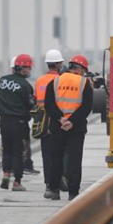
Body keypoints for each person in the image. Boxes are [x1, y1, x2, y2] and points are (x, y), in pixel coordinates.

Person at [43, 55, 93, 201]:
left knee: (56, 157)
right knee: (75, 159)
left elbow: (49, 105)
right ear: (82, 69)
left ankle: (53, 189)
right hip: (76, 128)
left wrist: (60, 118)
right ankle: (73, 192)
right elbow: (87, 107)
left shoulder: (55, 81)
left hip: (58, 126)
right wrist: (71, 121)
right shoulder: (85, 83)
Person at [0, 53, 34, 191]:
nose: (29, 71)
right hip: (19, 123)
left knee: (7, 150)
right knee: (18, 152)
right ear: (23, 68)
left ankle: (6, 174)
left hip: (4, 121)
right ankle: (17, 182)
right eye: (29, 68)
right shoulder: (25, 86)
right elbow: (31, 105)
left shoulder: (2, 81)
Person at [34, 49, 65, 192]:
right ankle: (60, 181)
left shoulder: (39, 80)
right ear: (58, 64)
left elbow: (36, 100)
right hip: (56, 120)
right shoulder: (59, 80)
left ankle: (48, 183)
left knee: (46, 154)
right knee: (60, 153)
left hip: (42, 122)